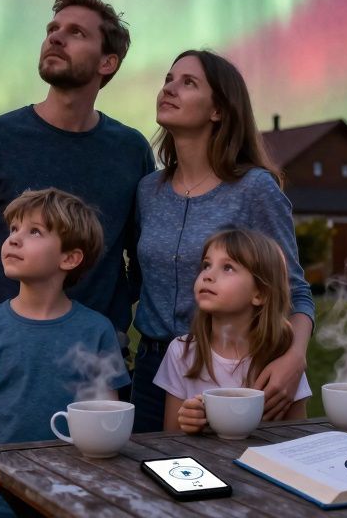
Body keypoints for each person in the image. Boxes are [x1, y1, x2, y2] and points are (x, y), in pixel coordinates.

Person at [0, 0, 154, 396]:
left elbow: (142, 257)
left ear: (107, 63)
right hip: (2, 360)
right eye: (52, 29)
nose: (55, 37)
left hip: (100, 364)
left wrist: (108, 319)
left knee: (102, 461)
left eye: (75, 33)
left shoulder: (131, 150)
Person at [132, 49, 315, 432]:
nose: (169, 88)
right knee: (154, 483)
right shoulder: (148, 190)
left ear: (218, 110)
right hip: (151, 370)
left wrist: (294, 357)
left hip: (230, 371)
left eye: (188, 83)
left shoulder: (254, 190)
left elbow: (294, 288)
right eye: (168, 79)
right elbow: (137, 277)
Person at [0, 188, 130, 518]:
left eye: (34, 231)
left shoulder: (97, 332)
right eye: (13, 229)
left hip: (74, 499)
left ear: (70, 258)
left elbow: (107, 428)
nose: (13, 239)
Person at [158, 228, 311, 433]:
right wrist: (188, 422)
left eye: (228, 267)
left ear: (260, 293)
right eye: (206, 265)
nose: (208, 275)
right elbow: (170, 438)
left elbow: (298, 435)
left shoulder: (282, 356)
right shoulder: (181, 352)